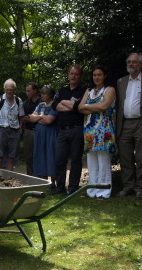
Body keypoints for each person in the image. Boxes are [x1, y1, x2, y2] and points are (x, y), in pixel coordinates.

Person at [116, 53, 142, 199]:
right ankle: (128, 186)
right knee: (125, 157)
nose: (131, 64)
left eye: (134, 62)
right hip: (124, 123)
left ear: (141, 65)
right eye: (129, 62)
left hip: (141, 122)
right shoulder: (121, 81)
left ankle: (140, 188)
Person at [79, 65, 116, 199]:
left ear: (105, 75)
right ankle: (92, 191)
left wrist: (88, 107)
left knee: (104, 162)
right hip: (90, 131)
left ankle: (103, 192)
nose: (96, 77)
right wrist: (96, 107)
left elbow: (105, 106)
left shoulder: (109, 89)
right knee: (92, 162)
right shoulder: (89, 90)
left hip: (105, 130)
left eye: (99, 75)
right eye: (94, 75)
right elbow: (80, 108)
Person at [52, 65, 87, 195]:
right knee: (59, 160)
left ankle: (73, 188)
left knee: (76, 160)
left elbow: (79, 106)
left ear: (80, 76)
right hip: (62, 130)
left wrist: (66, 103)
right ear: (68, 75)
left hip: (77, 129)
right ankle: (60, 188)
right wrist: (71, 105)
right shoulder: (62, 90)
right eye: (71, 73)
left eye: (76, 74)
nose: (73, 76)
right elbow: (55, 105)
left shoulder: (84, 91)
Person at [0, 79, 24, 171]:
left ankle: (8, 179)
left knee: (11, 157)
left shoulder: (18, 100)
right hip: (1, 130)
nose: (9, 91)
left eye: (11, 89)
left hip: (14, 131)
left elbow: (21, 117)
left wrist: (20, 129)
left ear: (14, 89)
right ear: (4, 89)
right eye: (7, 89)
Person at [28, 85, 59, 189]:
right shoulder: (40, 105)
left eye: (44, 93)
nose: (42, 95)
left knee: (51, 156)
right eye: (41, 93)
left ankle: (53, 183)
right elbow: (31, 118)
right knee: (41, 156)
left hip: (51, 135)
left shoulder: (54, 105)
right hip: (40, 136)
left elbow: (49, 120)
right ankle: (45, 183)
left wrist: (39, 117)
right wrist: (42, 118)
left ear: (50, 94)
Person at [21, 82, 41, 176]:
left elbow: (43, 116)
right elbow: (22, 118)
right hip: (28, 132)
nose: (27, 93)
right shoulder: (25, 104)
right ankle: (30, 177)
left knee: (40, 155)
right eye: (26, 91)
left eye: (29, 91)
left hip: (39, 131)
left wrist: (31, 117)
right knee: (29, 156)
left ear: (35, 91)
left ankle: (40, 177)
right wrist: (34, 117)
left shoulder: (42, 103)